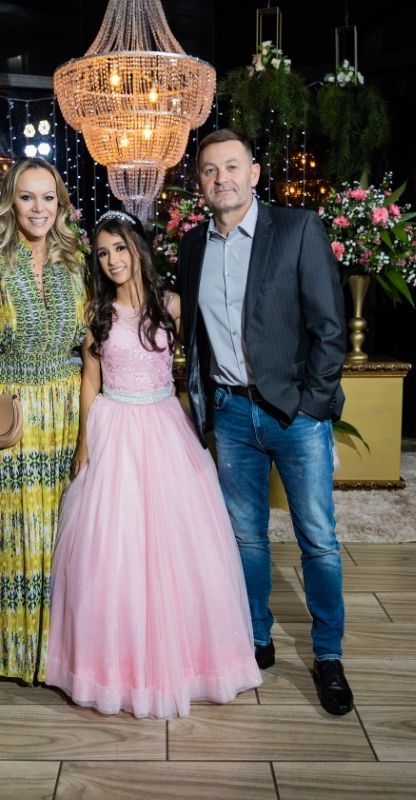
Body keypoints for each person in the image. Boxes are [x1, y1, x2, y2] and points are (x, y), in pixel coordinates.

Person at [45, 210, 262, 719]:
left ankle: (191, 661)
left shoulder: (172, 306)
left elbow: (205, 360)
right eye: (102, 253)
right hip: (115, 428)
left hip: (166, 426)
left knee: (181, 545)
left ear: (138, 249)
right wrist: (83, 444)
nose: (112, 260)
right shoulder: (97, 312)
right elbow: (91, 381)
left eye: (119, 248)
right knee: (113, 548)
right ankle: (114, 670)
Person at [177, 128, 354, 716]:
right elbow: (193, 336)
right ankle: (257, 637)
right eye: (209, 169)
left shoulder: (298, 229)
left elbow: (330, 329)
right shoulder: (192, 246)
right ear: (199, 182)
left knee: (318, 539)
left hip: (294, 413)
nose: (221, 178)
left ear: (254, 173)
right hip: (231, 415)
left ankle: (328, 655)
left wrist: (311, 406)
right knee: (246, 537)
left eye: (232, 166)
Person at [0, 157, 87, 685]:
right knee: (13, 536)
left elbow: (94, 336)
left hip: (67, 414)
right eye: (27, 197)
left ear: (61, 204)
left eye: (48, 197)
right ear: (10, 201)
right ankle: (13, 655)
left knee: (65, 537)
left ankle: (63, 657)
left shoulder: (75, 257)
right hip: (13, 415)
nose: (38, 208)